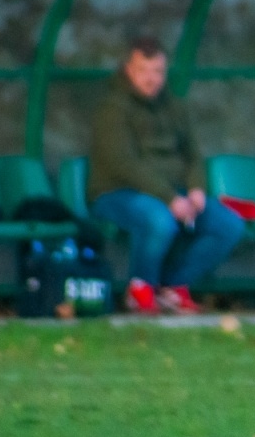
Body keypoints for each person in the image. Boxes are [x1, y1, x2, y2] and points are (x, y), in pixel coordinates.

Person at [87, 36, 244, 314]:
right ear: (129, 70)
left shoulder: (174, 106)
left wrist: (196, 189)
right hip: (118, 193)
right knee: (160, 221)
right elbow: (123, 164)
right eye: (143, 71)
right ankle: (140, 288)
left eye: (157, 71)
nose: (151, 79)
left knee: (229, 226)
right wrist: (169, 198)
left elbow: (193, 154)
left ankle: (174, 287)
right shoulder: (112, 108)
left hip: (173, 192)